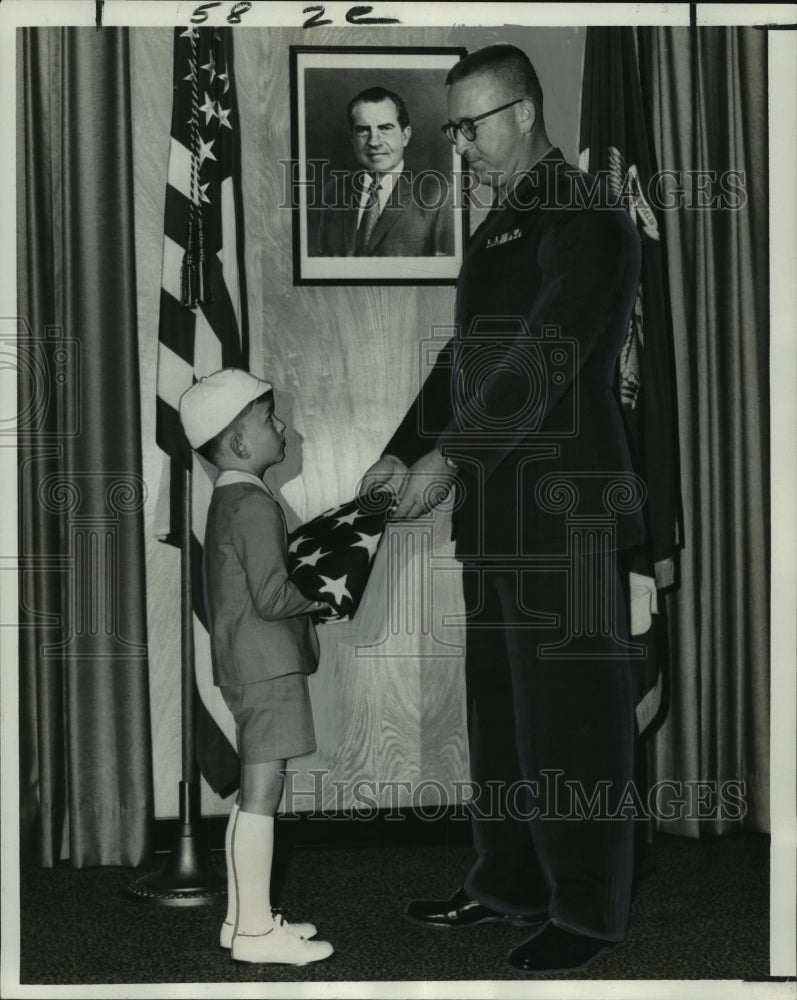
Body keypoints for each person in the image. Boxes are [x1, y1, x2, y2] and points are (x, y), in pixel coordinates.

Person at [359, 44, 644, 974]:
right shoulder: (500, 227)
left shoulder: (584, 216)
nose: (461, 144)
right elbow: (467, 364)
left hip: (571, 512)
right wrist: (403, 452)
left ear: (523, 111)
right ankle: (511, 883)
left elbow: (550, 356)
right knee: (505, 715)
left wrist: (449, 456)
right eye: (452, 126)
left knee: (574, 722)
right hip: (501, 516)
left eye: (472, 124)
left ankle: (588, 912)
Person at [179, 369, 334, 967]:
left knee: (251, 795)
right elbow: (273, 597)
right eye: (270, 420)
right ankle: (253, 936)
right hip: (267, 667)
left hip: (249, 663)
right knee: (264, 796)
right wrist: (325, 594)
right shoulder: (251, 504)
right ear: (240, 444)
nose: (282, 427)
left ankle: (242, 920)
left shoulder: (232, 497)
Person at [315, 86, 454, 258]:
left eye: (385, 128)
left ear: (405, 136)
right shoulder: (333, 191)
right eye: (363, 130)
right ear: (352, 139)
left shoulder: (439, 194)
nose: (374, 142)